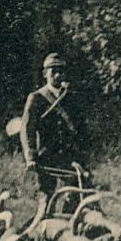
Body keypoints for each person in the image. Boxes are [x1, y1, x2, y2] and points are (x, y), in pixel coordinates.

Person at [20, 52, 93, 201]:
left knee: (79, 193)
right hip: (47, 159)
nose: (58, 75)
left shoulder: (70, 97)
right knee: (46, 199)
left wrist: (84, 154)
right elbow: (28, 129)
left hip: (69, 157)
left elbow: (81, 128)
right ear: (45, 74)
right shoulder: (36, 98)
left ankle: (71, 222)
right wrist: (30, 157)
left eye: (61, 71)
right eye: (54, 71)